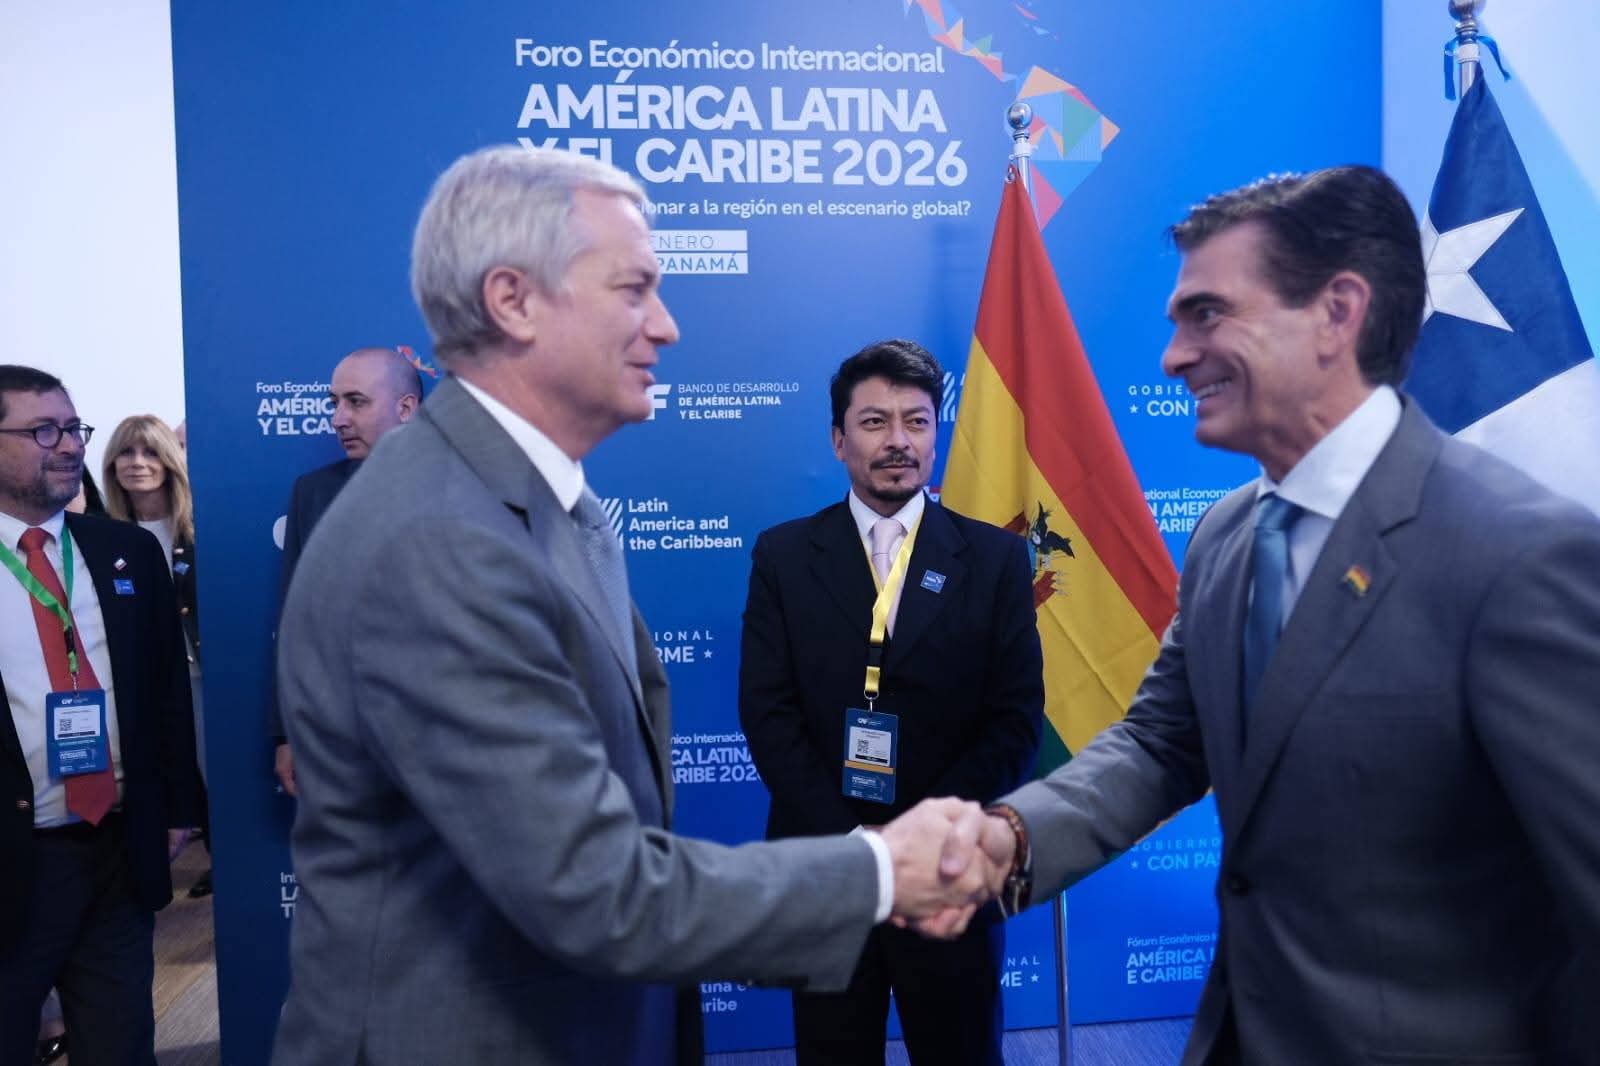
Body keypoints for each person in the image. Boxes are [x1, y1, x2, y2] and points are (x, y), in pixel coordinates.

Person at [270, 145, 1000, 1066]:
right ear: (514, 300)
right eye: (634, 289)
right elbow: (591, 884)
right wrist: (876, 870)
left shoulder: (547, 504)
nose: (666, 325)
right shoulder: (440, 538)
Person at [935, 165, 1600, 1065]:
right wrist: (1006, 839)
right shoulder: (1225, 537)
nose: (1173, 355)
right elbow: (1163, 744)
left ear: (1338, 313)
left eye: (1207, 314)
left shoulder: (1517, 555)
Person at [738, 339, 1043, 1065]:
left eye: (917, 421)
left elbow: (1014, 721)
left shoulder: (996, 560)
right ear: (839, 439)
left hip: (948, 871)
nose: (898, 441)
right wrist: (861, 848)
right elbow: (768, 714)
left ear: (937, 434)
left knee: (961, 1051)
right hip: (828, 866)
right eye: (875, 423)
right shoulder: (782, 556)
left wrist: (925, 842)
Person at [0, 365, 202, 1066]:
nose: (67, 446)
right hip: (13, 859)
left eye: (73, 429)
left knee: (120, 1046)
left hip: (115, 851)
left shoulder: (123, 552)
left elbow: (165, 689)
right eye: (42, 430)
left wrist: (179, 805)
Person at [269, 347, 422, 796]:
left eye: (356, 402)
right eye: (333, 402)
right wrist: (286, 732)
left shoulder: (469, 484)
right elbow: (295, 624)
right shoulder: (313, 494)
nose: (337, 418)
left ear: (406, 408)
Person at [101, 415, 210, 897]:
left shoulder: (202, 528)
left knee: (210, 777)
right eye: (126, 453)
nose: (137, 464)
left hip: (204, 679)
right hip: (139, 688)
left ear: (171, 461)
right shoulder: (98, 538)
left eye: (149, 452)